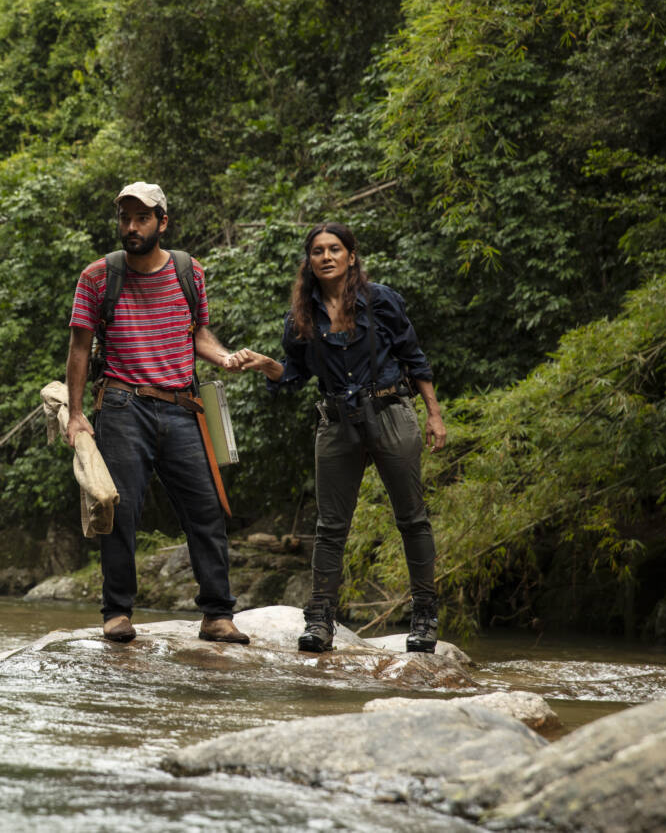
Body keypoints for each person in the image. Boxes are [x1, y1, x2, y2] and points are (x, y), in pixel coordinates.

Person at [226, 221, 447, 653]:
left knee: (412, 518)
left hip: (390, 412)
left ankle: (424, 617)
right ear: (309, 261)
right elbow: (293, 376)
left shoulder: (380, 301)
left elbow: (413, 358)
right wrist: (268, 365)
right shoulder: (301, 317)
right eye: (318, 251)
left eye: (334, 249)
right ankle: (320, 621)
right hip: (335, 422)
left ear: (350, 256)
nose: (326, 257)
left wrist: (434, 415)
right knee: (330, 528)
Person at [64, 181, 248, 645]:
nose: (131, 226)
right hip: (123, 405)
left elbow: (199, 336)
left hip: (182, 408)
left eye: (141, 218)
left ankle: (217, 615)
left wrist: (224, 358)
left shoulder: (190, 271)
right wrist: (76, 414)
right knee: (120, 511)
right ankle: (118, 612)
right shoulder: (98, 277)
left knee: (206, 509)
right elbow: (80, 348)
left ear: (162, 222)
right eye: (125, 218)